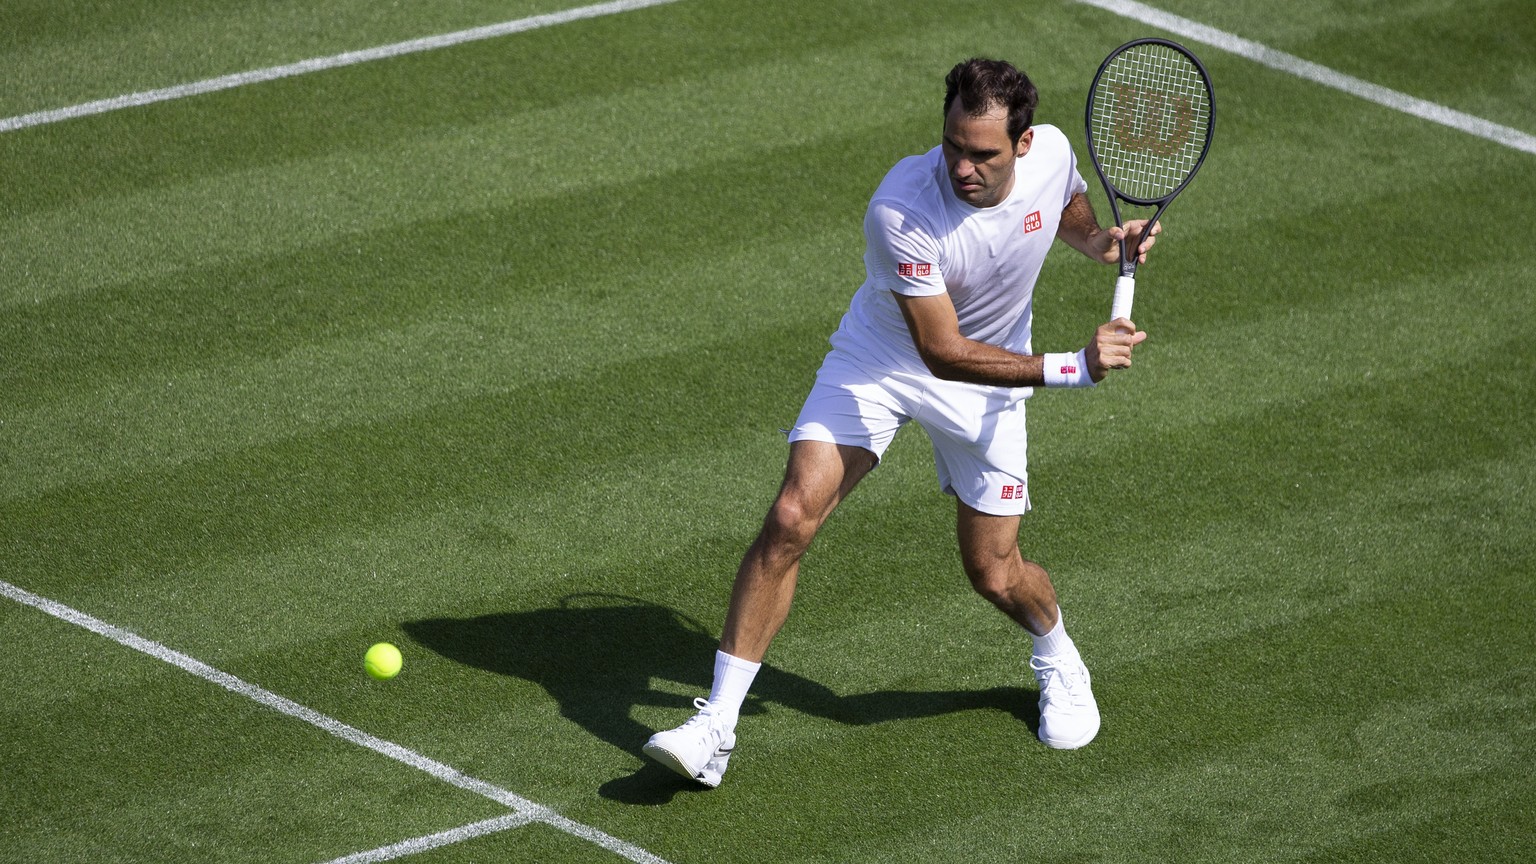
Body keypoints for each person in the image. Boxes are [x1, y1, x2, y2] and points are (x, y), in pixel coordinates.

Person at [643, 58, 1158, 788]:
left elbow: (1066, 203)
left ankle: (1056, 654)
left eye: (983, 153)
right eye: (953, 144)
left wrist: (1103, 242)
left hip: (989, 386)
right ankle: (715, 728)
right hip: (886, 359)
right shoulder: (902, 209)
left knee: (993, 572)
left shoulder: (1055, 156)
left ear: (1024, 144)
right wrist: (1075, 366)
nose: (963, 166)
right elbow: (942, 351)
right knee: (792, 515)